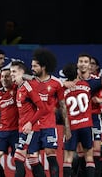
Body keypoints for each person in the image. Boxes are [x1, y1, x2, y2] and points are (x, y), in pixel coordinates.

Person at [67, 54, 102, 177]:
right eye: (80, 61)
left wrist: (101, 101)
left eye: (86, 62)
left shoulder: (95, 80)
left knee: (96, 152)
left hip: (93, 118)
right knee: (82, 155)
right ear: (77, 64)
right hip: (78, 120)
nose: (83, 64)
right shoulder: (73, 81)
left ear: (90, 66)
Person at [30, 48, 71, 177]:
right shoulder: (29, 83)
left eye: (35, 66)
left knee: (50, 153)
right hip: (33, 127)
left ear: (43, 67)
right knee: (32, 158)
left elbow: (63, 106)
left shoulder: (56, 83)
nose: (32, 68)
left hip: (49, 125)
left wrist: (67, 126)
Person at [11, 60, 47, 177]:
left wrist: (30, 123)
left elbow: (42, 108)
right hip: (23, 129)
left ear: (22, 72)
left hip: (30, 129)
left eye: (14, 72)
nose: (11, 74)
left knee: (18, 157)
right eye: (11, 71)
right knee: (33, 160)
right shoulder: (18, 88)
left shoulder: (28, 87)